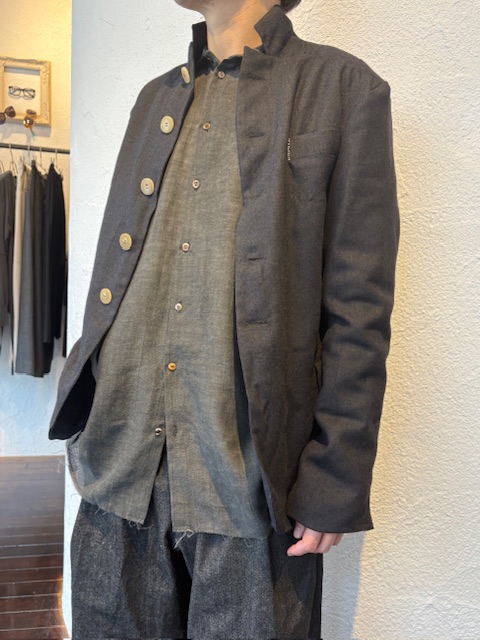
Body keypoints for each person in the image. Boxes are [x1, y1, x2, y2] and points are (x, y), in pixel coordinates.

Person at [49, 0, 399, 637]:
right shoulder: (154, 98)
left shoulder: (345, 89)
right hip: (120, 469)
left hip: (249, 487)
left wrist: (335, 476)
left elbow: (360, 307)